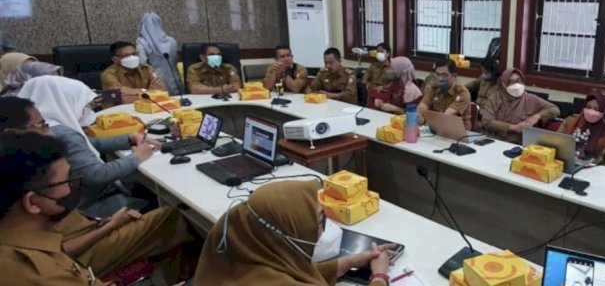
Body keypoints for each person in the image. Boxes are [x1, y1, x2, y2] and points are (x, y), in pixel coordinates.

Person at [0, 132, 193, 284]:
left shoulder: (24, 240)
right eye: (67, 180)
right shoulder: (39, 274)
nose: (73, 186)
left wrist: (110, 224)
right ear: (32, 202)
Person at [194, 180, 394, 285]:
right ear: (286, 236)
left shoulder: (239, 255)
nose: (321, 231)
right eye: (318, 222)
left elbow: (290, 274)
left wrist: (346, 263)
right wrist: (379, 276)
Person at [16, 76, 158, 210]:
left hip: (73, 200)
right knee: (159, 199)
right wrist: (137, 157)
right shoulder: (64, 134)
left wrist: (128, 139)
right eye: (84, 104)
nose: (86, 110)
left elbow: (87, 143)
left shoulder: (39, 129)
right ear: (66, 101)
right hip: (94, 202)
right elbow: (97, 175)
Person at [481, 68, 560, 143]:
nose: (516, 85)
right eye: (511, 82)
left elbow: (555, 109)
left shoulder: (530, 99)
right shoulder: (494, 98)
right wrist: (513, 127)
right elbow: (487, 121)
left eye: (519, 81)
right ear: (504, 84)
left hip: (521, 143)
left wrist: (537, 116)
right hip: (496, 140)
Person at [557, 89, 605, 167]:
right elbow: (556, 144)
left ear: (604, 111)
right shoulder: (570, 121)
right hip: (564, 165)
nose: (591, 111)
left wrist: (595, 170)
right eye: (588, 107)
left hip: (594, 172)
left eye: (596, 109)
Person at [101, 41, 167, 104]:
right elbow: (122, 98)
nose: (132, 57)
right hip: (118, 111)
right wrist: (149, 92)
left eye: (134, 54)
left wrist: (139, 94)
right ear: (115, 59)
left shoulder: (147, 69)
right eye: (126, 55)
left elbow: (162, 90)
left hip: (147, 107)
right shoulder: (108, 74)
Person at [136, 12, 182, 95]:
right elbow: (175, 60)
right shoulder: (171, 40)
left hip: (155, 82)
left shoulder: (141, 42)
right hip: (174, 79)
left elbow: (142, 64)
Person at [418, 59, 472, 130]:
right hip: (436, 128)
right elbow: (420, 110)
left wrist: (425, 120)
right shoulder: (434, 88)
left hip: (458, 133)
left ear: (454, 76)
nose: (440, 78)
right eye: (437, 74)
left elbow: (445, 118)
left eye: (444, 75)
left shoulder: (462, 93)